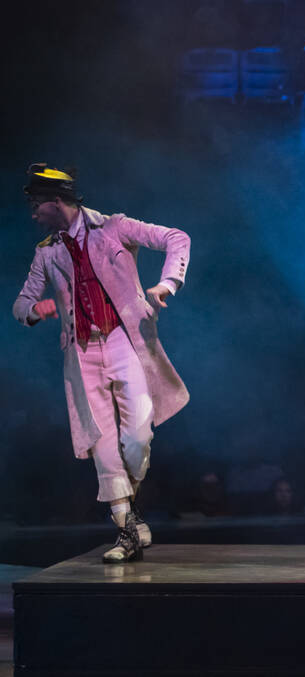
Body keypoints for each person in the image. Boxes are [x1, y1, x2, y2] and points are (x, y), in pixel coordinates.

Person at [13, 164, 191, 563]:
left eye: (36, 204)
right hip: (82, 351)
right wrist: (35, 310)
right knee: (101, 441)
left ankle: (131, 513)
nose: (33, 213)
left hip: (124, 340)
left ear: (55, 201)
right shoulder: (46, 252)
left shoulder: (114, 227)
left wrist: (167, 284)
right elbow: (21, 303)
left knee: (138, 437)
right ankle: (126, 530)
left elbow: (177, 238)